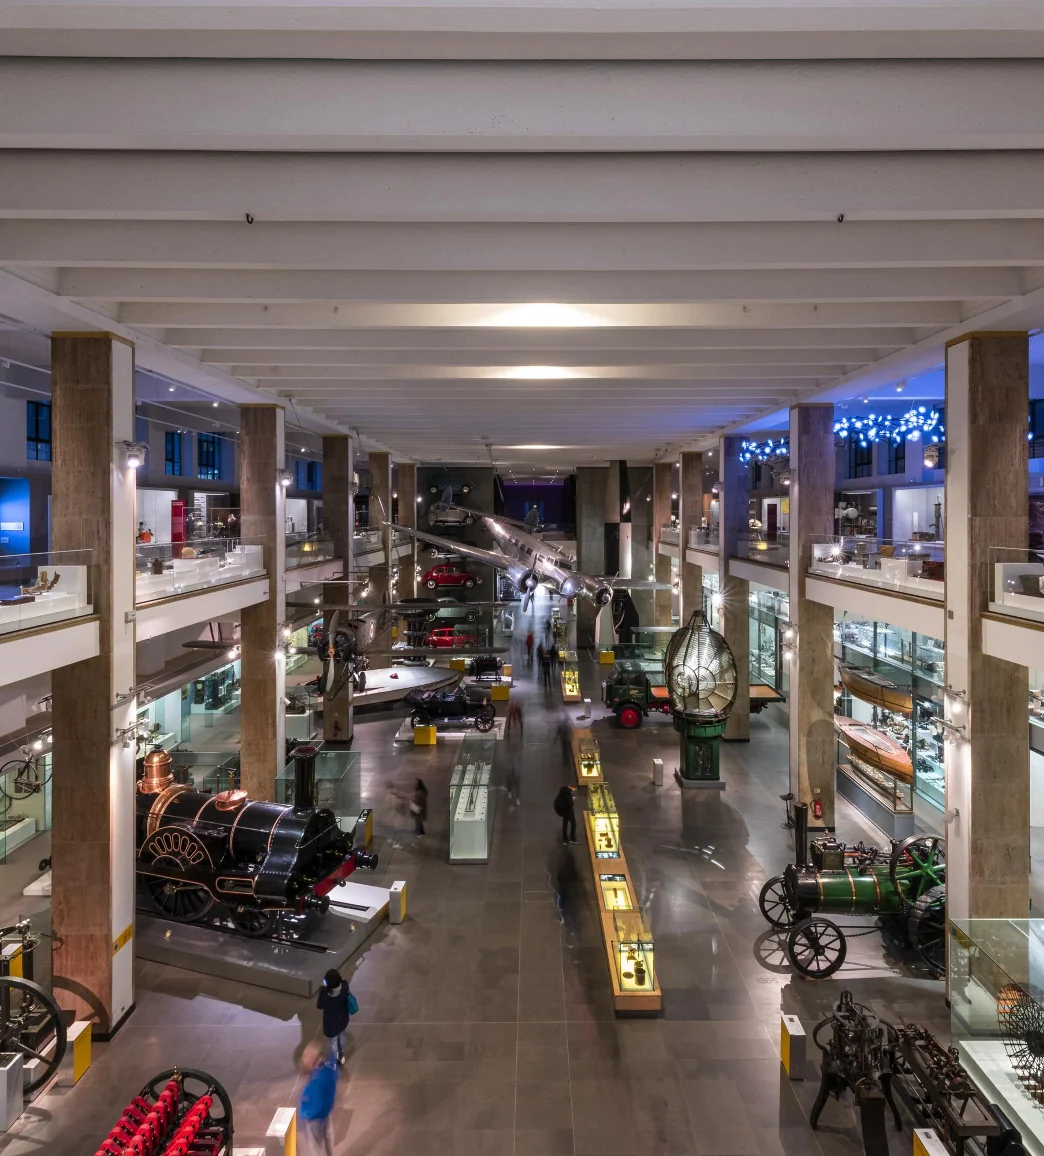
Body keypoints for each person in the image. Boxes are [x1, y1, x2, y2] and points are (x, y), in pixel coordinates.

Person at [298, 1044, 338, 1156]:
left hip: (316, 1117)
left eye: (305, 1057)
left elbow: (316, 1102)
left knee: (316, 1146)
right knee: (327, 1137)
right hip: (326, 1111)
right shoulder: (327, 1067)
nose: (304, 1060)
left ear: (312, 1059)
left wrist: (307, 1113)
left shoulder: (318, 1080)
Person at [316, 968, 352, 1065]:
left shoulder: (327, 995)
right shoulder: (345, 987)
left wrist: (322, 989)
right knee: (342, 1035)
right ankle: (341, 1055)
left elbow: (319, 1005)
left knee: (333, 1042)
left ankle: (332, 1063)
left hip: (331, 1023)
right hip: (343, 1019)